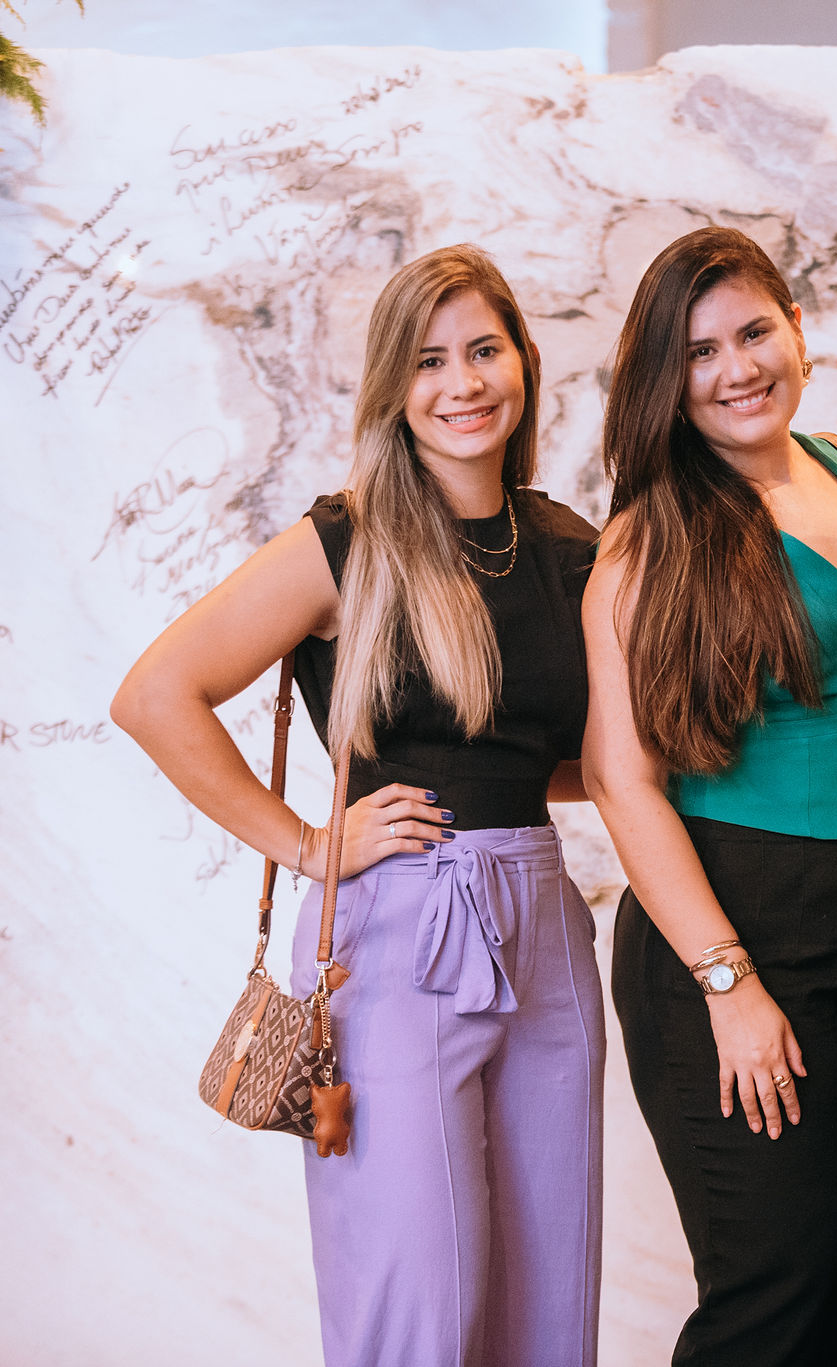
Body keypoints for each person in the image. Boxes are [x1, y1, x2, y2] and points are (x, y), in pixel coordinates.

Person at [112, 244, 605, 1365]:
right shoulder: (347, 539)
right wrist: (306, 843)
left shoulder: (569, 546)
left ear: (524, 364)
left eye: (484, 350)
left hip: (543, 921)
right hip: (397, 928)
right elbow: (155, 694)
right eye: (428, 361)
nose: (462, 382)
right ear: (392, 387)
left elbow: (567, 761)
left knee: (548, 1299)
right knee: (418, 1297)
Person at [581, 225, 837, 1367]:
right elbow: (619, 778)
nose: (736, 369)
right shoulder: (648, 541)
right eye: (699, 352)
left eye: (753, 332)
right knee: (772, 1295)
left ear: (797, 329)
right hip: (736, 937)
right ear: (664, 382)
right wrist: (728, 984)